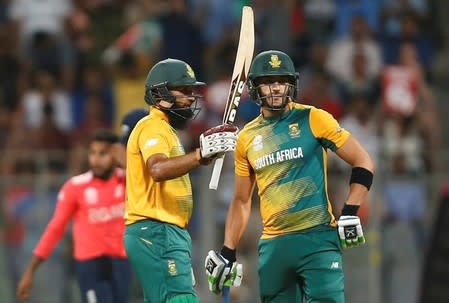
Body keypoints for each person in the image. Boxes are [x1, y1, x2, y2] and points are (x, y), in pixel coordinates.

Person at [204, 50, 375, 302]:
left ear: (291, 84)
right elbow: (241, 201)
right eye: (268, 82)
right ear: (255, 87)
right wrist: (228, 250)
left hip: (318, 239)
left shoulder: (313, 118)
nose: (276, 88)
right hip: (274, 247)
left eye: (282, 81)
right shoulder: (247, 138)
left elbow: (363, 161)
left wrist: (349, 210)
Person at [123, 58, 238, 303]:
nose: (190, 98)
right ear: (160, 94)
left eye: (191, 92)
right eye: (184, 91)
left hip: (164, 231)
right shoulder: (152, 127)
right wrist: (200, 155)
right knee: (180, 299)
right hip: (157, 229)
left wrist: (204, 156)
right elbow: (158, 169)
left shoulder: (166, 130)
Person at [17, 129, 131, 303]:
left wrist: (127, 163)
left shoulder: (129, 181)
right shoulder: (76, 186)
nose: (96, 159)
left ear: (116, 154)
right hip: (91, 265)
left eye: (103, 153)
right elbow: (55, 228)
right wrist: (31, 270)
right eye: (92, 153)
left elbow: (152, 186)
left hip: (122, 262)